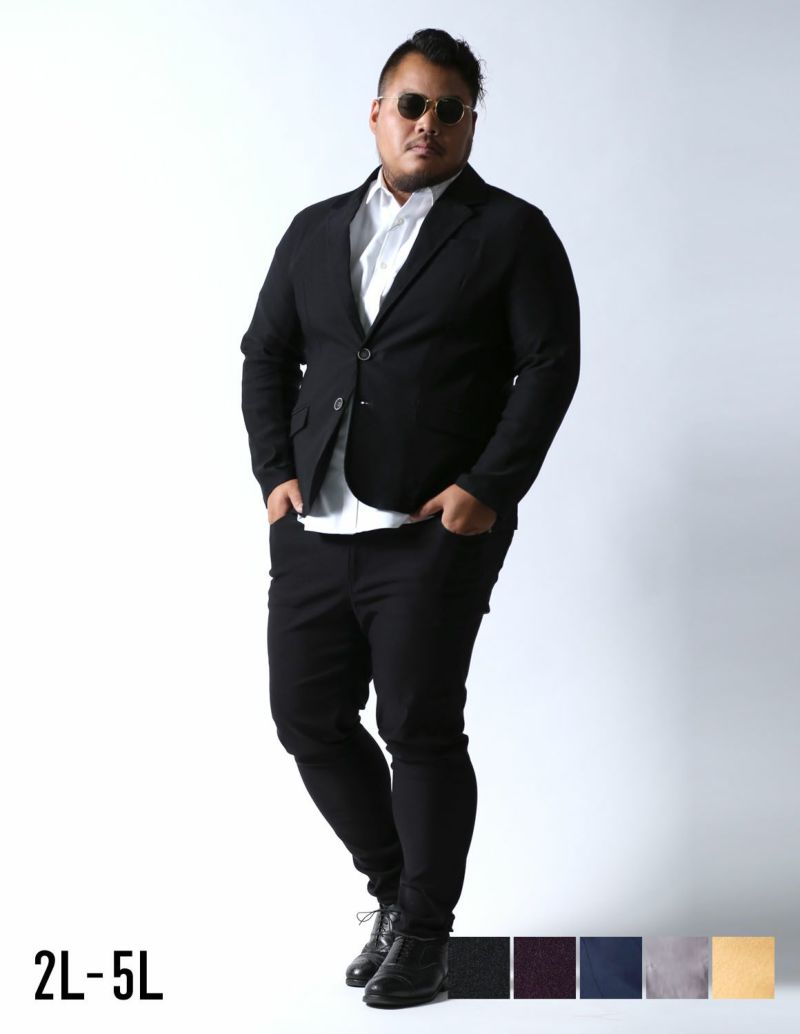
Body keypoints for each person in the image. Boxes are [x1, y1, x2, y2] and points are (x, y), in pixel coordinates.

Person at [240, 27, 580, 1009]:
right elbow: (266, 354)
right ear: (377, 113)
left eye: (449, 108)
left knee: (419, 726)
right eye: (412, 104)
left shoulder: (508, 232)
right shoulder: (314, 230)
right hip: (315, 525)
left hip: (433, 531)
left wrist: (486, 487)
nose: (428, 122)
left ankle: (426, 937)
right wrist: (274, 476)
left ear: (471, 121)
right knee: (305, 717)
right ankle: (395, 890)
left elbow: (548, 363)